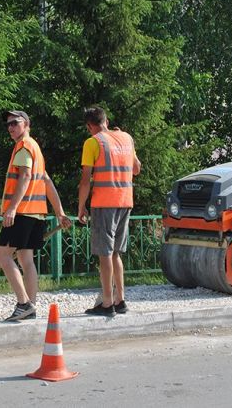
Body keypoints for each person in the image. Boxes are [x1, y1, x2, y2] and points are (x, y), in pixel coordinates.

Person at [0, 110, 71, 321]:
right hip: (37, 213)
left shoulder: (23, 146)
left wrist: (12, 208)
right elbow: (46, 182)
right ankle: (31, 306)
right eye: (8, 124)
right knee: (25, 258)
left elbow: (26, 176)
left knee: (2, 255)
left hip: (22, 212)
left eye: (15, 123)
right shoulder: (35, 148)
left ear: (26, 124)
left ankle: (23, 303)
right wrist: (60, 212)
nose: (11, 127)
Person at [78, 106, 141, 317]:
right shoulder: (126, 138)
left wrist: (81, 207)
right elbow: (136, 168)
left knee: (104, 254)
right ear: (106, 120)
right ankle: (120, 299)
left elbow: (86, 180)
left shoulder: (93, 142)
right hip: (125, 201)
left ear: (90, 126)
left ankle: (107, 303)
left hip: (104, 202)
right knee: (115, 253)